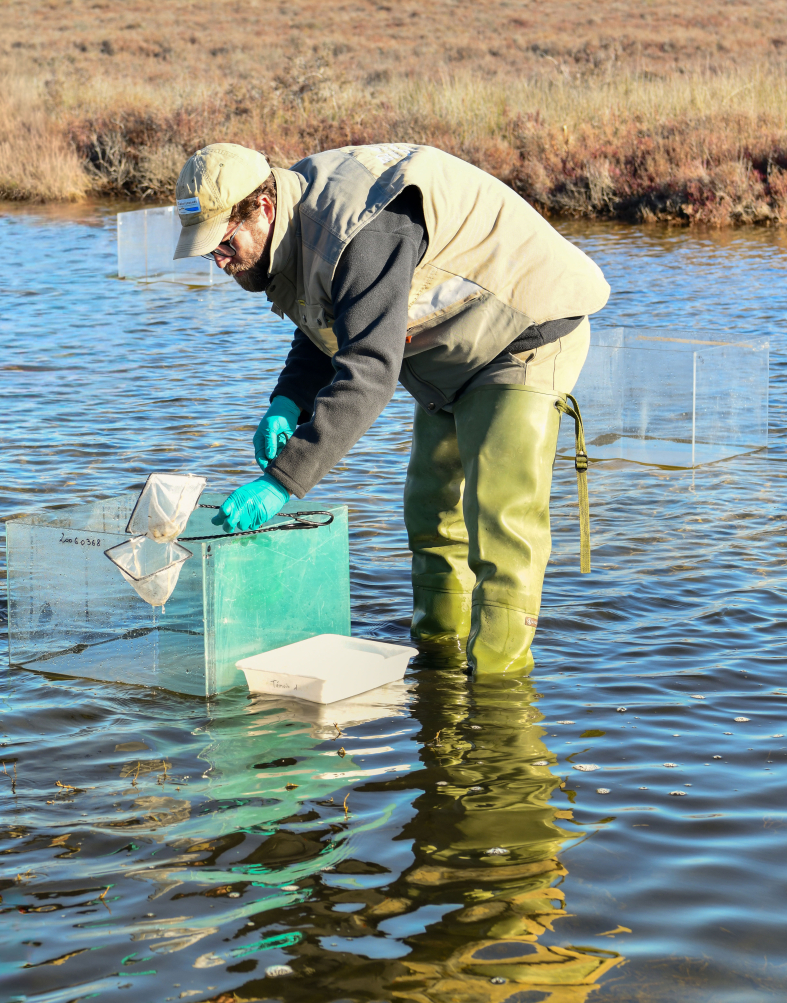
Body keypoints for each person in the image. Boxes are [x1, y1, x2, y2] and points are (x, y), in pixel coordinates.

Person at [173, 142, 608, 676]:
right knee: (430, 510)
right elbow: (330, 316)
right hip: (449, 350)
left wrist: (283, 481)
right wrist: (288, 400)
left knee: (499, 522)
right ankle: (437, 668)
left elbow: (370, 372)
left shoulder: (361, 229)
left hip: (525, 330)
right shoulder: (293, 224)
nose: (216, 261)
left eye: (222, 242)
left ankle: (499, 696)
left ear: (261, 209)